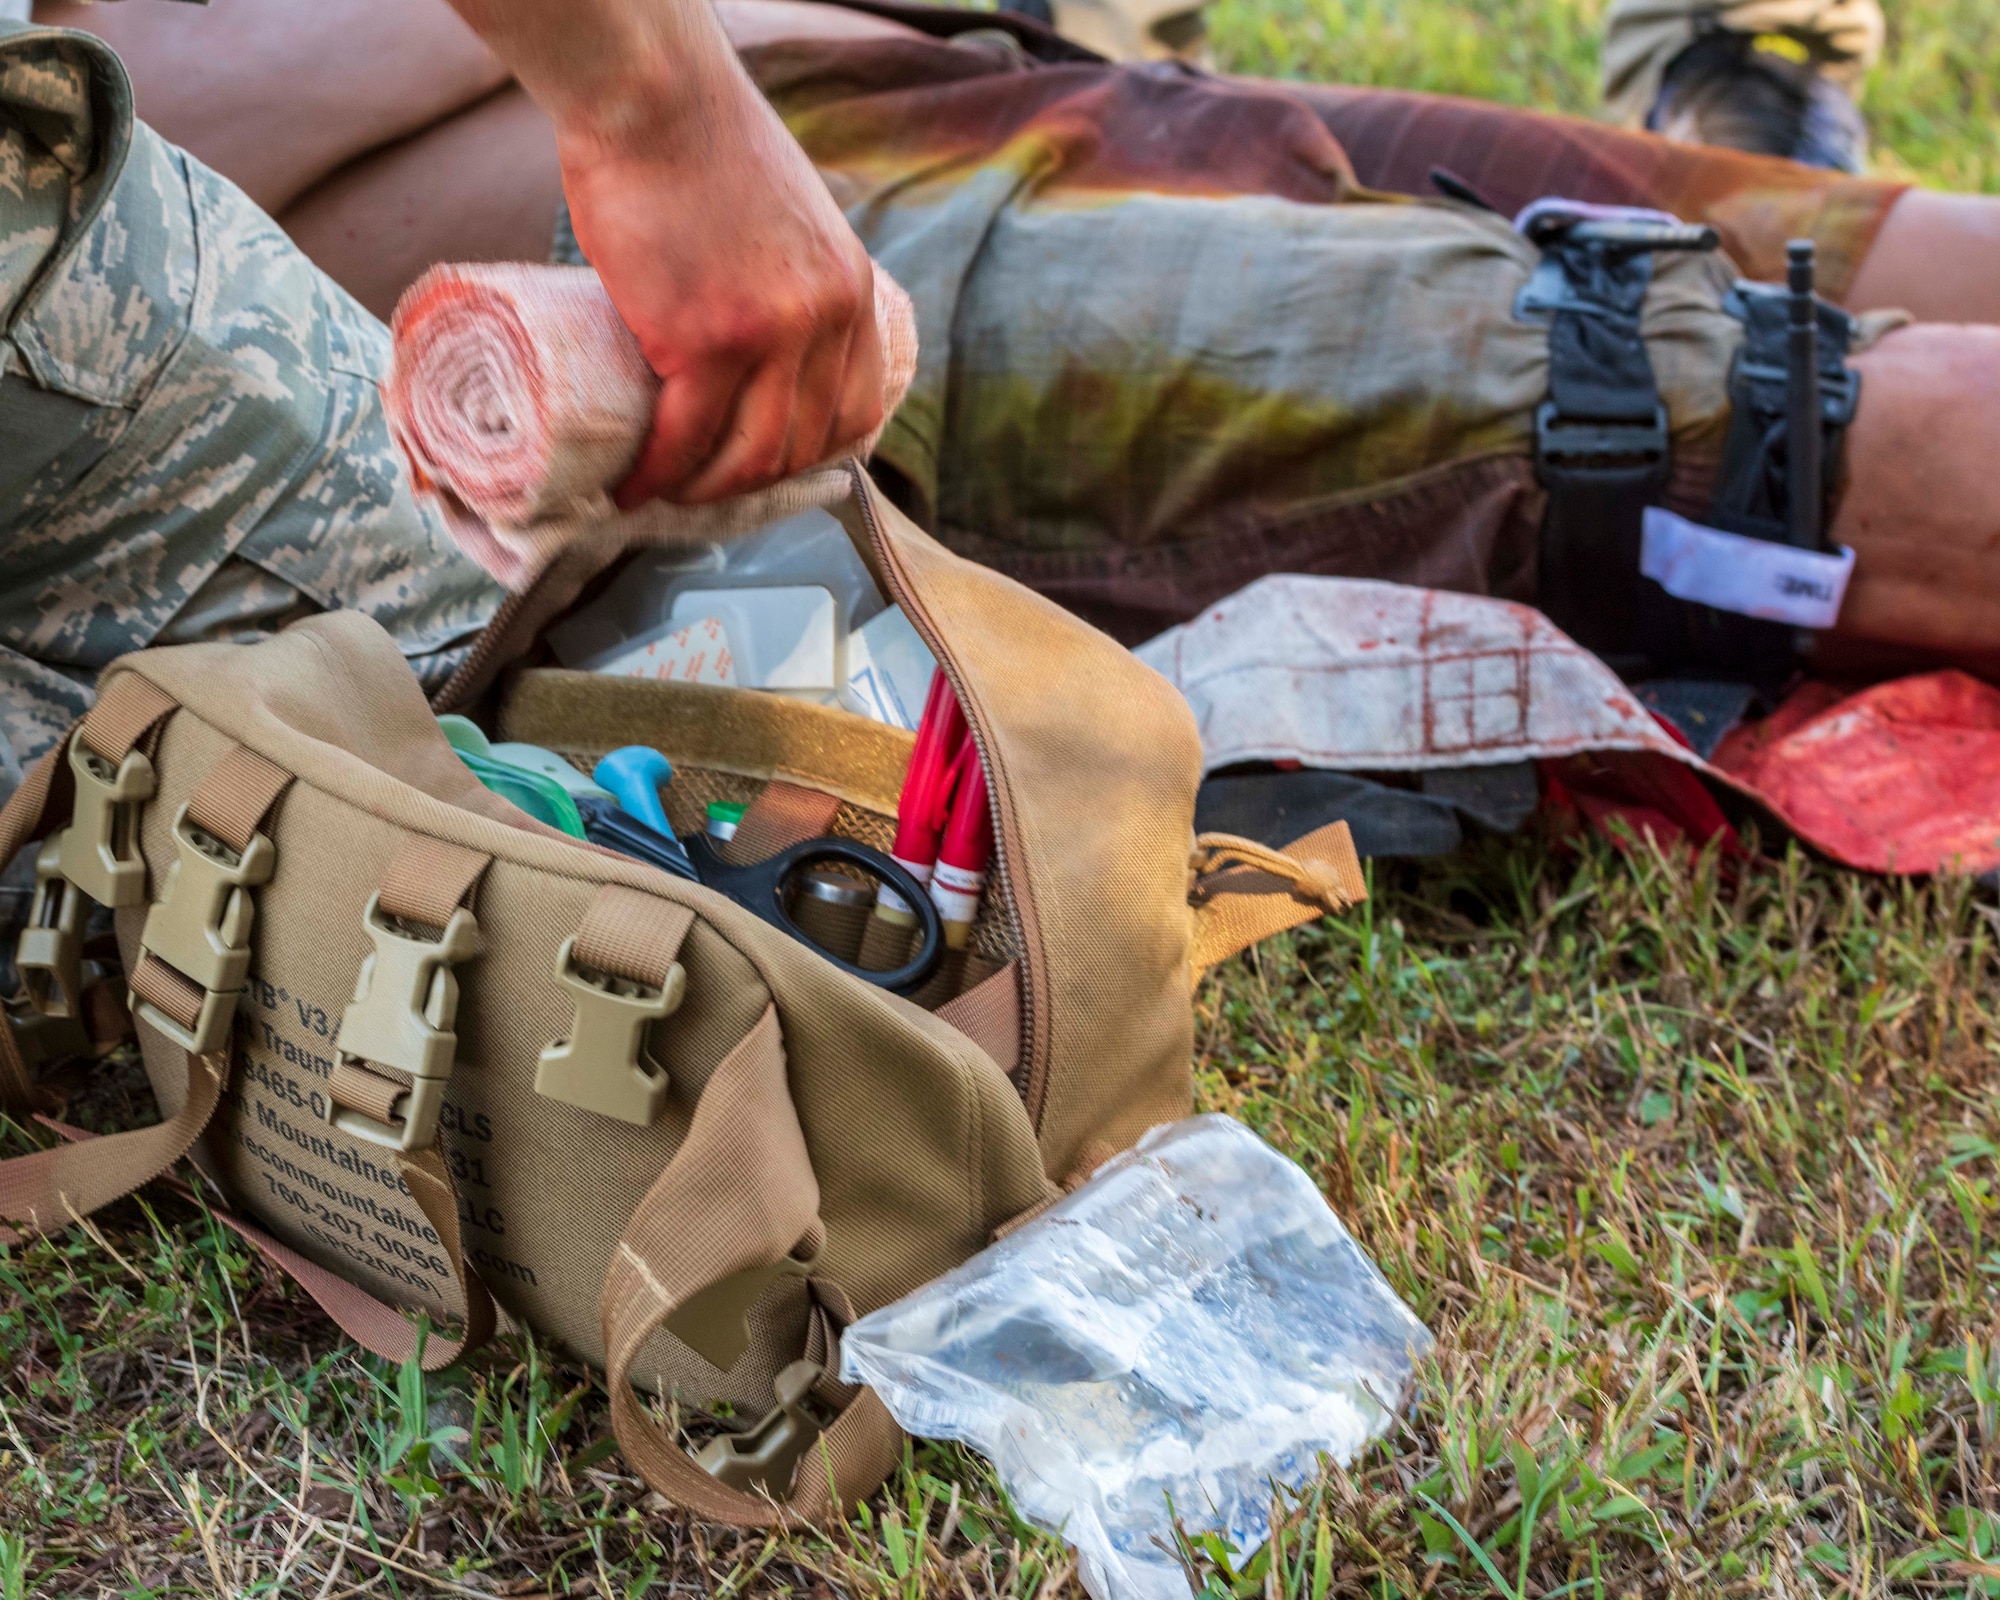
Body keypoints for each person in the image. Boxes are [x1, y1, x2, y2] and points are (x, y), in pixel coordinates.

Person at [9, 0, 2000, 807]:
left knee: (1724, 307)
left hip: (457, 134)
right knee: (1697, 397)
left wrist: (651, 90)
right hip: (411, 160)